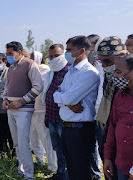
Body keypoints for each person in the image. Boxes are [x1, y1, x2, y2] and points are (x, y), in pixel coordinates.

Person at [53, 36, 100, 180]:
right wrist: (65, 100)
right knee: (72, 168)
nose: (66, 53)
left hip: (81, 129)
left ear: (82, 51)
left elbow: (66, 97)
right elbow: (58, 93)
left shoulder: (89, 73)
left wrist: (64, 98)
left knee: (81, 171)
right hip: (67, 127)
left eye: (69, 50)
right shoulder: (71, 71)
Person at [3, 41, 43, 179]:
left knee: (24, 142)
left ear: (19, 52)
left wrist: (21, 101)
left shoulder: (30, 64)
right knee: (17, 142)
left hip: (24, 110)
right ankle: (22, 168)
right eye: (7, 54)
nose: (8, 56)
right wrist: (5, 99)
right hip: (11, 110)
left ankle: (29, 174)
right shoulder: (10, 68)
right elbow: (7, 88)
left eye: (10, 53)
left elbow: (38, 87)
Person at [96, 36, 127, 180]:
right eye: (101, 61)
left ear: (121, 56)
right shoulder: (109, 75)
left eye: (107, 61)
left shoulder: (126, 78)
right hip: (109, 132)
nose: (103, 65)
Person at [43, 44, 70, 180]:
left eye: (57, 56)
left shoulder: (69, 71)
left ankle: (67, 175)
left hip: (64, 119)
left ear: (64, 54)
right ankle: (60, 173)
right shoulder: (51, 71)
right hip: (52, 116)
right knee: (57, 148)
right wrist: (47, 118)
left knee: (67, 149)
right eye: (51, 56)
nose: (53, 59)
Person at [103, 54, 133, 180]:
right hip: (122, 164)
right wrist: (108, 157)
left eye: (119, 72)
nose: (116, 77)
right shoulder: (119, 95)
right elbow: (113, 126)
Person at [29, 51, 57, 174]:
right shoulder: (32, 72)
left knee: (46, 139)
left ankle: (52, 166)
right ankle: (39, 160)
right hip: (33, 110)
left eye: (31, 58)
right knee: (33, 137)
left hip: (43, 110)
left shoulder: (47, 72)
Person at [87, 34, 103, 180]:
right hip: (90, 111)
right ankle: (94, 174)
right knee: (92, 146)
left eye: (90, 46)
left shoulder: (102, 64)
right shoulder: (91, 63)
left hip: (101, 112)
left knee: (103, 148)